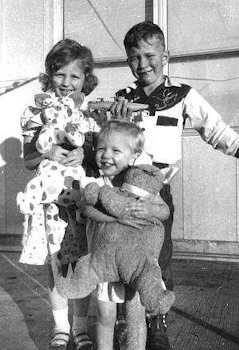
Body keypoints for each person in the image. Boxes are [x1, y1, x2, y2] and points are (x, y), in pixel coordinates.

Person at [108, 20, 239, 350]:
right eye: (134, 58)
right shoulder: (122, 98)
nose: (143, 64)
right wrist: (114, 121)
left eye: (150, 55)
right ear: (128, 61)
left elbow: (216, 129)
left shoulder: (181, 95)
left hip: (158, 193)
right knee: (121, 258)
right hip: (123, 191)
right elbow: (107, 146)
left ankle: (157, 322)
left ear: (166, 56)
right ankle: (126, 321)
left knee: (158, 259)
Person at [19, 39, 99, 350]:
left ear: (85, 79)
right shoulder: (37, 110)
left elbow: (97, 155)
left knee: (82, 262)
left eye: (74, 76)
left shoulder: (88, 112)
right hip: (50, 202)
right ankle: (60, 326)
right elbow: (28, 161)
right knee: (55, 263)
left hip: (79, 198)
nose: (66, 83)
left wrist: (84, 156)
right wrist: (48, 152)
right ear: (49, 75)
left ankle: (80, 327)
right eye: (59, 74)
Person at [82, 119, 171, 350]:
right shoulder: (95, 181)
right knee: (105, 316)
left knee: (136, 316)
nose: (106, 155)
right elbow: (87, 209)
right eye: (101, 148)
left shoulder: (139, 183)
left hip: (135, 262)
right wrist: (116, 216)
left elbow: (164, 210)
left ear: (133, 156)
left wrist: (150, 209)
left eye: (115, 150)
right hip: (107, 262)